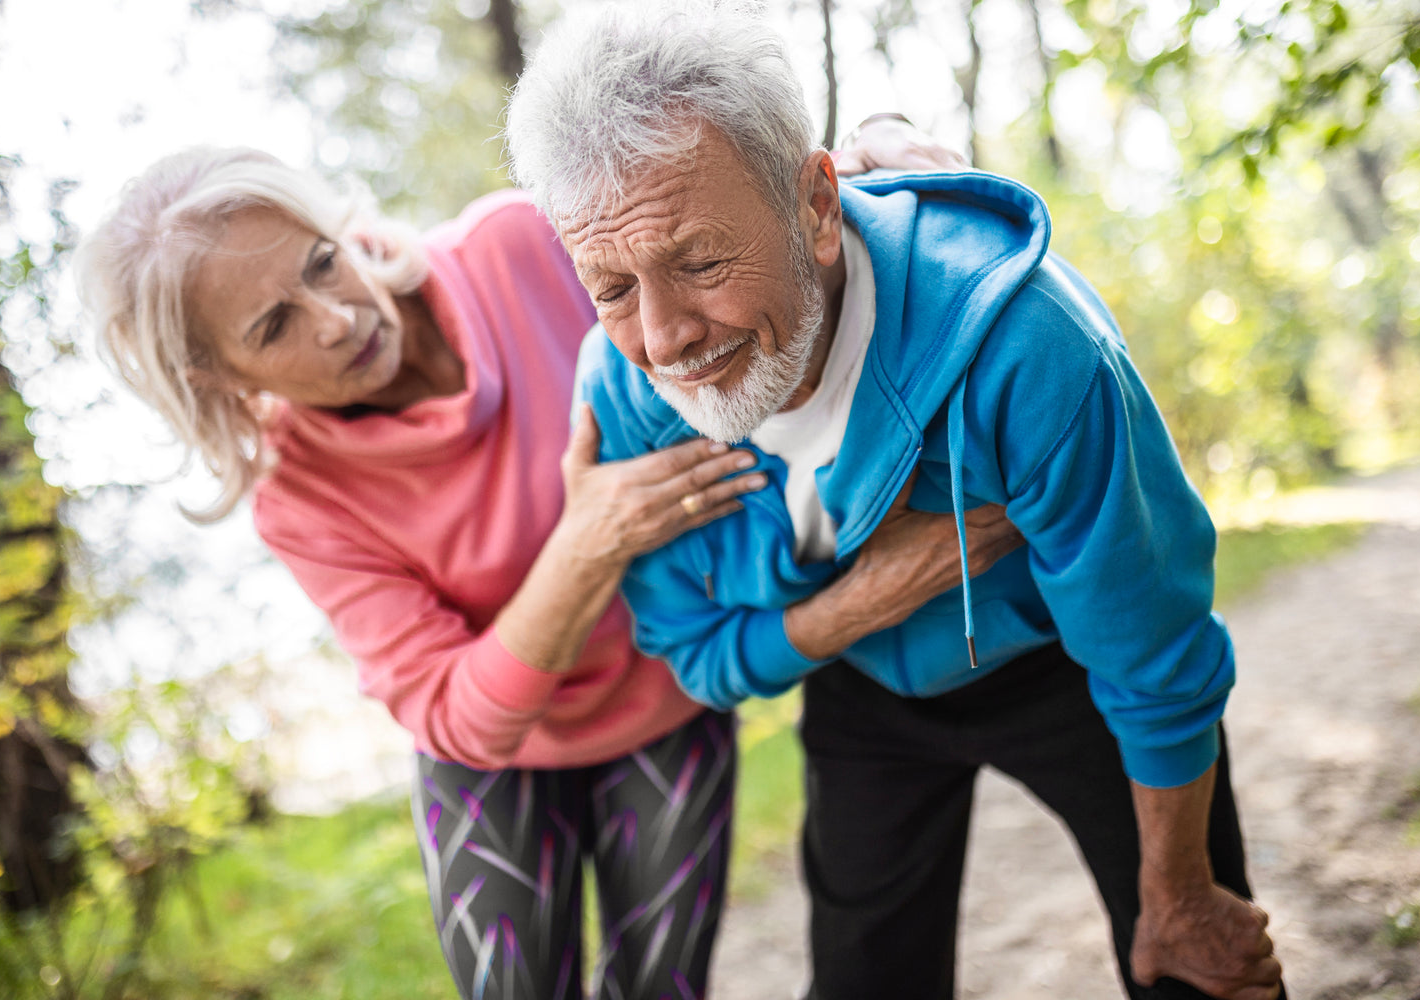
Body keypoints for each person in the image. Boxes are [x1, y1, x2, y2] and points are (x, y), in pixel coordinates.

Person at [73, 129, 978, 999]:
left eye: (321, 261)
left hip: (663, 697)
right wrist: (589, 543)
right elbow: (451, 712)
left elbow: (720, 234)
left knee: (659, 987)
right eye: (275, 325)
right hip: (494, 757)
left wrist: (867, 144)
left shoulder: (515, 246)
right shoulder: (299, 496)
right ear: (219, 378)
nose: (341, 316)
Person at [504, 3, 1285, 999]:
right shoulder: (623, 396)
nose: (663, 338)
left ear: (816, 207)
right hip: (863, 684)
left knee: (1199, 960)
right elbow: (697, 654)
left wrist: (1178, 897)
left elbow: (1153, 644)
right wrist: (862, 603)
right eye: (610, 287)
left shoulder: (1027, 341)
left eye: (700, 262)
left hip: (1065, 667)